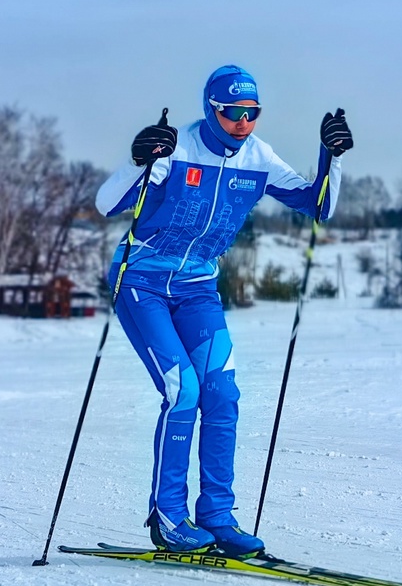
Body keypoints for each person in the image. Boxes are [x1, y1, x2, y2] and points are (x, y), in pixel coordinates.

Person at [94, 64, 353, 556]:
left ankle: (217, 515)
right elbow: (109, 204)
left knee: (222, 393)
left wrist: (332, 157)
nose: (243, 122)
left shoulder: (258, 157)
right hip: (142, 283)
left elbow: (317, 205)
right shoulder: (180, 149)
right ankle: (169, 516)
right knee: (182, 390)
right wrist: (138, 160)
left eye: (252, 113)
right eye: (233, 112)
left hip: (197, 289)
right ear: (211, 110)